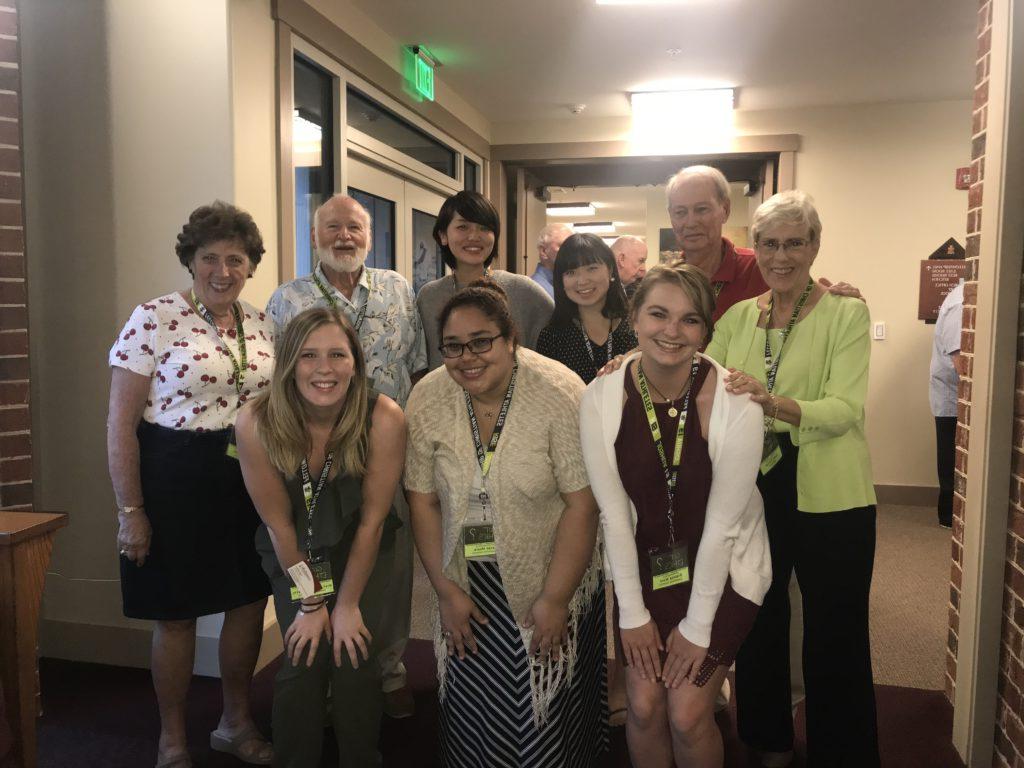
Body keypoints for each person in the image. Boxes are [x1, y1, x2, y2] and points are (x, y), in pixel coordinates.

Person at [705, 190, 879, 767]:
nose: (781, 256)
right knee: (759, 616)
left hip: (832, 492)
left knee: (836, 630)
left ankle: (842, 752)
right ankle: (767, 740)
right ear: (755, 249)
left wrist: (771, 401)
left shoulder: (845, 312)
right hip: (756, 486)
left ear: (815, 245)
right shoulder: (736, 316)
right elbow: (703, 382)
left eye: (794, 243)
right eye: (770, 244)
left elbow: (844, 409)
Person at [405, 281, 608, 766]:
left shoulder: (560, 392)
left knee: (550, 710)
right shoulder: (429, 397)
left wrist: (556, 600)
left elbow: (583, 506)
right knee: (475, 710)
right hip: (467, 576)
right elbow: (423, 502)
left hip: (553, 566)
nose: (467, 357)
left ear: (510, 338)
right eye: (452, 346)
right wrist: (446, 591)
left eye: (481, 341)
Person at [580, 264, 769, 768]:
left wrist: (699, 628)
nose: (672, 331)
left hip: (727, 572)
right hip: (643, 568)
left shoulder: (737, 402)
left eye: (689, 320)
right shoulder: (601, 396)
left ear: (706, 330)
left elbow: (725, 527)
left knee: (686, 713)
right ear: (634, 320)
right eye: (658, 314)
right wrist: (634, 614)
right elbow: (614, 516)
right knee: (642, 706)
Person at [107, 201, 274, 768]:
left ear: (250, 265)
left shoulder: (263, 324)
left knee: (248, 603)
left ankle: (235, 720)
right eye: (209, 258)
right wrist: (131, 509)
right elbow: (119, 424)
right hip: (172, 479)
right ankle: (172, 737)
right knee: (175, 614)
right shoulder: (152, 318)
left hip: (249, 480)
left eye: (235, 259)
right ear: (190, 260)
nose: (222, 271)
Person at [266, 194, 424, 717]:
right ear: (315, 237)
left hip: (384, 449)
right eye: (332, 228)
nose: (344, 237)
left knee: (389, 563)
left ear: (369, 235)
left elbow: (415, 367)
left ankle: (387, 668)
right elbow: (275, 382)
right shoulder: (286, 299)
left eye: (354, 228)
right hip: (310, 455)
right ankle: (325, 667)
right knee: (321, 554)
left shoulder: (400, 290)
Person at [235, 307, 406, 767]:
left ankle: (360, 757)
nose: (324, 369)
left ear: (356, 362)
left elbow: (371, 521)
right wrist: (312, 604)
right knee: (303, 655)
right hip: (293, 549)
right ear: (289, 362)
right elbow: (280, 525)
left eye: (337, 354)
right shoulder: (255, 420)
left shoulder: (384, 416)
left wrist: (346, 606)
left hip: (362, 545)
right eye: (308, 355)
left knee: (354, 651)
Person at [666, 165, 860, 321]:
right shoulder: (665, 281)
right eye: (680, 212)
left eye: (701, 209)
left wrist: (843, 307)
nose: (690, 222)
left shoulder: (764, 266)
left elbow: (811, 310)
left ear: (725, 210)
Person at [417, 190, 554, 371]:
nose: (474, 236)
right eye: (463, 227)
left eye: (484, 228)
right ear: (443, 235)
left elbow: (563, 337)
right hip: (447, 398)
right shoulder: (429, 296)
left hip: (514, 397)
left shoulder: (521, 290)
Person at [536, 233, 636, 384]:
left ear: (610, 270)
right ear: (561, 280)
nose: (582, 281)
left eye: (592, 268)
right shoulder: (552, 338)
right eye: (571, 272)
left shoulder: (637, 326)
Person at [930, 280, 963, 529]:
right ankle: (949, 517)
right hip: (953, 400)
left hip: (954, 397)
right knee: (951, 461)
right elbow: (961, 362)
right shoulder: (961, 302)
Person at [531, 223, 573, 298]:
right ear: (543, 251)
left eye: (572, 246)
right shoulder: (536, 290)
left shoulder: (566, 284)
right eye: (564, 246)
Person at [611, 235, 648, 300]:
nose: (643, 269)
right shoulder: (603, 293)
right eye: (640, 261)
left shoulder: (626, 287)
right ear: (622, 259)